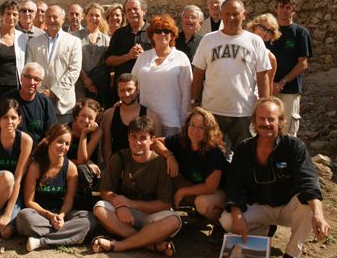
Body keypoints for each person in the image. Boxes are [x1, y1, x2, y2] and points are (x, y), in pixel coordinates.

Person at [220, 97, 330, 258]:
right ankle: (264, 232)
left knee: (308, 206)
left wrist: (318, 215)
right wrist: (237, 216)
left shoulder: (294, 146)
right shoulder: (244, 148)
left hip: (288, 208)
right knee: (227, 220)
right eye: (261, 118)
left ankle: (292, 253)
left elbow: (309, 181)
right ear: (254, 121)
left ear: (280, 121)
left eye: (271, 119)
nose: (265, 123)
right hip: (261, 207)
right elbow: (235, 185)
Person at [92, 116, 181, 256]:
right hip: (125, 215)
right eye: (133, 136)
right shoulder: (119, 158)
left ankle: (119, 245)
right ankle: (151, 244)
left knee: (174, 221)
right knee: (99, 208)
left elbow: (164, 204)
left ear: (152, 139)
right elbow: (105, 191)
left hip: (151, 215)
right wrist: (120, 205)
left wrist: (131, 204)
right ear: (128, 137)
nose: (137, 142)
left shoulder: (161, 163)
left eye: (143, 138)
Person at [192, 0, 271, 154]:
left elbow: (263, 76)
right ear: (221, 15)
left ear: (244, 15)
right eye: (227, 14)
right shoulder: (208, 39)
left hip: (244, 111)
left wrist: (263, 107)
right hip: (212, 111)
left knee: (245, 155)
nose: (231, 18)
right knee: (211, 154)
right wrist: (194, 102)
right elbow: (198, 73)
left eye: (235, 14)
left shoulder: (255, 41)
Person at [17, 124, 96, 251]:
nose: (63, 147)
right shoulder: (36, 166)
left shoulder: (70, 168)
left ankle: (42, 241)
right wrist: (49, 216)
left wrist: (61, 217)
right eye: (59, 142)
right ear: (49, 140)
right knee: (23, 217)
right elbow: (29, 201)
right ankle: (66, 235)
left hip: (60, 214)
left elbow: (68, 201)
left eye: (67, 144)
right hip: (39, 214)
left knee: (89, 219)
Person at [152, 107, 227, 220]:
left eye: (201, 127)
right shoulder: (182, 140)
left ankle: (221, 224)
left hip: (220, 191)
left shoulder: (214, 152)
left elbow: (210, 187)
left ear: (209, 130)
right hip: (196, 185)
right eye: (192, 125)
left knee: (202, 203)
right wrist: (169, 155)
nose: (195, 131)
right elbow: (155, 142)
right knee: (163, 167)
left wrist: (182, 192)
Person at [0, 99, 33, 239]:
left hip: (14, 191)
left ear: (19, 119)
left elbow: (19, 177)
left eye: (13, 117)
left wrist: (8, 213)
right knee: (7, 177)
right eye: (5, 117)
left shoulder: (26, 141)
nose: (9, 122)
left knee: (6, 233)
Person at [132, 14, 192, 137]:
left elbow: (187, 93)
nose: (162, 34)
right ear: (152, 35)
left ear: (172, 35)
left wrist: (184, 122)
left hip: (171, 121)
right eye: (158, 31)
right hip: (145, 122)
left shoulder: (181, 57)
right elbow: (133, 84)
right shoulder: (144, 57)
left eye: (166, 31)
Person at [27, 5, 82, 124]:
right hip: (38, 101)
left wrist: (54, 92)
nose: (51, 20)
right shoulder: (33, 42)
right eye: (48, 17)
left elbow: (74, 71)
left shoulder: (74, 42)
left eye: (55, 17)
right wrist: (41, 92)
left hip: (63, 105)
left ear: (63, 19)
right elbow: (30, 69)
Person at [268, 0, 313, 136]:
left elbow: (303, 64)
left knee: (288, 129)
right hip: (268, 88)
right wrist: (270, 84)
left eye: (288, 7)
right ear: (276, 9)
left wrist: (282, 82)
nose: (284, 10)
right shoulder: (268, 32)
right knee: (268, 126)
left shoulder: (300, 33)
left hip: (290, 89)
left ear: (294, 11)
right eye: (281, 7)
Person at [101, 73, 161, 161]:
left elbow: (156, 146)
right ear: (117, 92)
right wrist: (110, 168)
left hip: (143, 165)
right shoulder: (109, 115)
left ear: (137, 90)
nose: (126, 94)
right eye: (122, 90)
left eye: (130, 90)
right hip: (118, 164)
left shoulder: (151, 116)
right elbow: (106, 145)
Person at [105, 0, 152, 94]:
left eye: (135, 9)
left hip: (148, 87)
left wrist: (144, 56)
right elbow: (109, 61)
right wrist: (128, 56)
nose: (132, 12)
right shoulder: (119, 34)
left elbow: (164, 58)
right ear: (125, 14)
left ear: (144, 11)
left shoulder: (154, 32)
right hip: (124, 92)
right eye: (129, 10)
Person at [2, 62, 57, 144]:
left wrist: (35, 154)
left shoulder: (46, 104)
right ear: (21, 78)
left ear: (41, 83)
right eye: (28, 77)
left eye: (36, 79)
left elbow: (50, 134)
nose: (31, 82)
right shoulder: (7, 100)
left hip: (37, 152)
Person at [73, 3, 110, 101]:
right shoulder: (75, 37)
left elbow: (105, 63)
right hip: (78, 85)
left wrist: (93, 80)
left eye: (97, 15)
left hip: (98, 86)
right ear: (85, 16)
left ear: (101, 18)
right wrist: (86, 80)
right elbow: (72, 60)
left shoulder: (107, 40)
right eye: (91, 15)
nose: (94, 18)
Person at [67, 99, 103, 199]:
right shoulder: (66, 130)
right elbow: (59, 161)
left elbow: (82, 160)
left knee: (82, 169)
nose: (86, 120)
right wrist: (85, 162)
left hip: (86, 172)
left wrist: (84, 134)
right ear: (76, 115)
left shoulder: (96, 132)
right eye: (83, 115)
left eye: (91, 118)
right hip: (66, 167)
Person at [247, 13, 281, 95]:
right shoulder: (241, 48)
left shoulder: (270, 57)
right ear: (254, 27)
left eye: (270, 31)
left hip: (256, 101)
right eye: (262, 28)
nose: (265, 33)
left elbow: (268, 87)